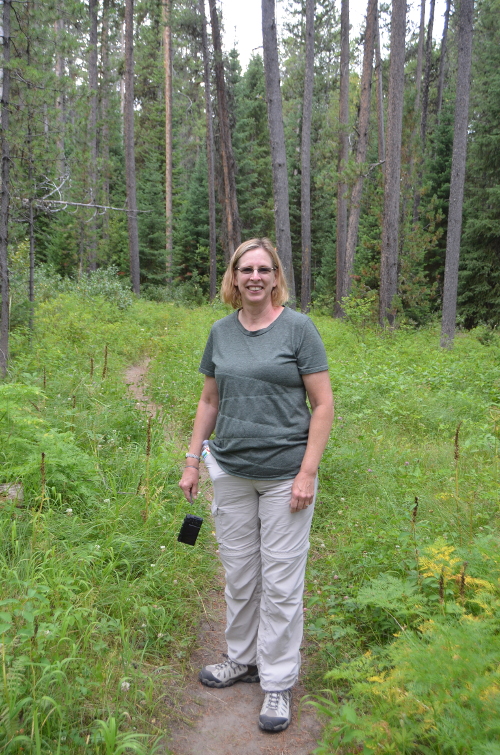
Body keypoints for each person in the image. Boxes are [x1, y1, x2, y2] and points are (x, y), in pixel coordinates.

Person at [179, 238, 334, 732]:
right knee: (241, 575)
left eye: (264, 269)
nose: (254, 277)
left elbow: (323, 405)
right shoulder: (220, 332)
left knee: (282, 582)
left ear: (275, 277)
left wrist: (307, 471)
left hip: (286, 475)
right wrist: (191, 461)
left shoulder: (298, 329)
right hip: (231, 472)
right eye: (245, 269)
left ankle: (278, 682)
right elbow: (209, 400)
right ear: (233, 276)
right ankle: (242, 659)